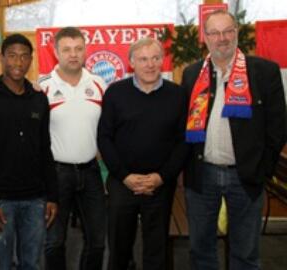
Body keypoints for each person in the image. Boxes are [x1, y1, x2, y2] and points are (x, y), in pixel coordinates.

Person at [182, 10, 286, 270]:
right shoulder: (192, 74)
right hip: (202, 175)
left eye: (228, 31)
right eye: (215, 33)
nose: (222, 38)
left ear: (237, 33)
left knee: (246, 253)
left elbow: (278, 127)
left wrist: (262, 170)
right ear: (205, 38)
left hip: (246, 177)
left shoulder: (264, 71)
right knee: (200, 249)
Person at [98, 37, 188, 270]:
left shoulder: (177, 95)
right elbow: (104, 138)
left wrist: (162, 176)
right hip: (122, 183)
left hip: (160, 184)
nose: (150, 64)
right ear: (131, 63)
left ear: (162, 61)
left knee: (156, 250)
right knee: (118, 248)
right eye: (143, 59)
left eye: (155, 58)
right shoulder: (115, 93)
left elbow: (183, 141)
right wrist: (124, 176)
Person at [0, 33, 58, 270]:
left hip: (35, 199)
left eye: (23, 57)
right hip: (1, 200)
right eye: (12, 56)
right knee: (2, 263)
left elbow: (45, 148)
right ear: (1, 59)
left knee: (31, 263)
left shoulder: (39, 99)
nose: (18, 62)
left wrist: (52, 196)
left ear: (31, 60)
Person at [38, 26, 106, 270]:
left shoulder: (98, 84)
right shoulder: (42, 87)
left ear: (86, 51)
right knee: (54, 242)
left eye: (78, 48)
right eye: (66, 49)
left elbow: (107, 127)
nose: (73, 54)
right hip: (56, 175)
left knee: (97, 241)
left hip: (90, 172)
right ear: (56, 52)